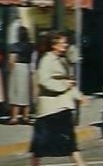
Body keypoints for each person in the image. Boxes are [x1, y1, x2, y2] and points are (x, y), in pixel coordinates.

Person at [30, 32, 85, 166]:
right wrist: (62, 86)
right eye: (62, 43)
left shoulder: (62, 59)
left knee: (70, 139)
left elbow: (69, 81)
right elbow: (44, 80)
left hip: (62, 105)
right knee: (40, 143)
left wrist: (79, 96)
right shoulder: (47, 60)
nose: (65, 45)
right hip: (50, 107)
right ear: (54, 45)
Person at [9, 26, 35, 124]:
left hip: (17, 68)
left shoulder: (14, 46)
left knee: (15, 93)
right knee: (26, 93)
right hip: (27, 68)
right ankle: (25, 116)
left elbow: (12, 60)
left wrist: (11, 70)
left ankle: (14, 117)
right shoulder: (31, 46)